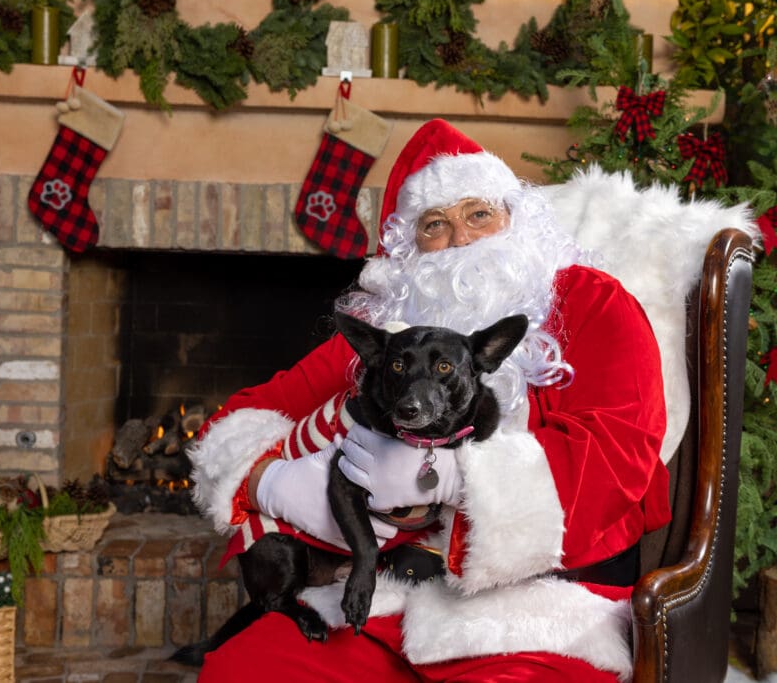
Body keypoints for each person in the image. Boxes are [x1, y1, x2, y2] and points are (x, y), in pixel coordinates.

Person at [187, 118, 670, 682]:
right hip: (386, 597)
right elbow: (236, 420)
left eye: (479, 214)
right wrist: (270, 482)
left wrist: (453, 477)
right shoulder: (390, 329)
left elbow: (619, 453)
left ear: (515, 219)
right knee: (243, 671)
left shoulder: (592, 301)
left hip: (545, 610)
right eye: (435, 225)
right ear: (408, 248)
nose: (461, 239)